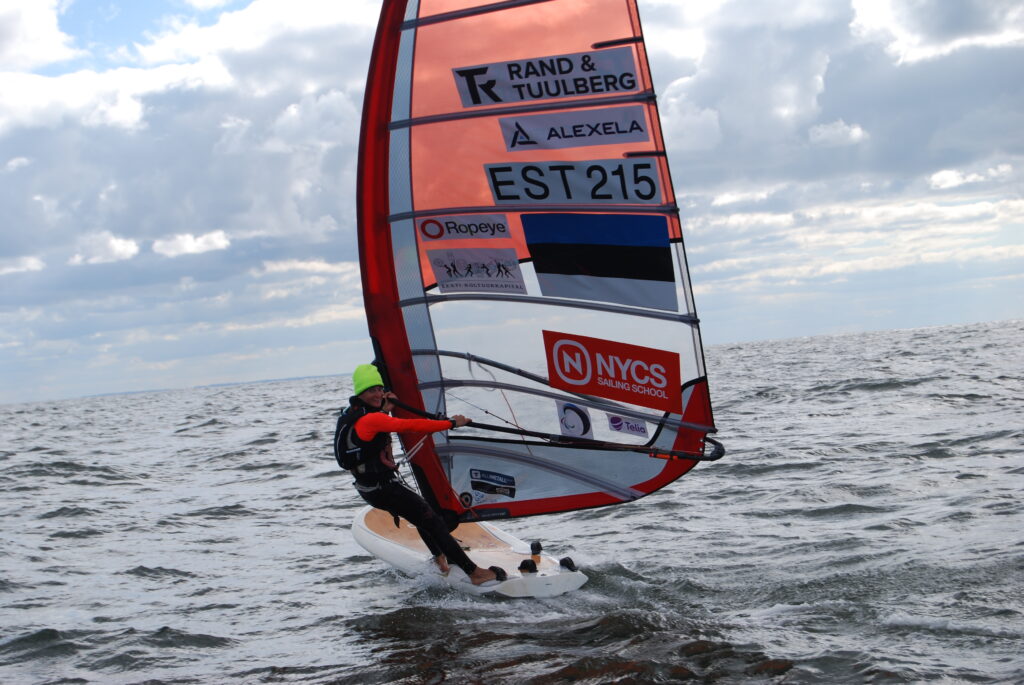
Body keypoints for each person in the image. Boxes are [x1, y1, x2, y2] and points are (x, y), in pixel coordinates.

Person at [335, 363, 504, 585]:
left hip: (370, 489)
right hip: (384, 489)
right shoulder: (371, 419)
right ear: (360, 393)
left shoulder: (353, 414)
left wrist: (384, 408)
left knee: (423, 517)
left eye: (379, 389)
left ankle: (440, 560)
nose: (377, 394)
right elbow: (412, 425)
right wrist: (452, 423)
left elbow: (373, 432)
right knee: (433, 521)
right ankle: (475, 573)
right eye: (371, 390)